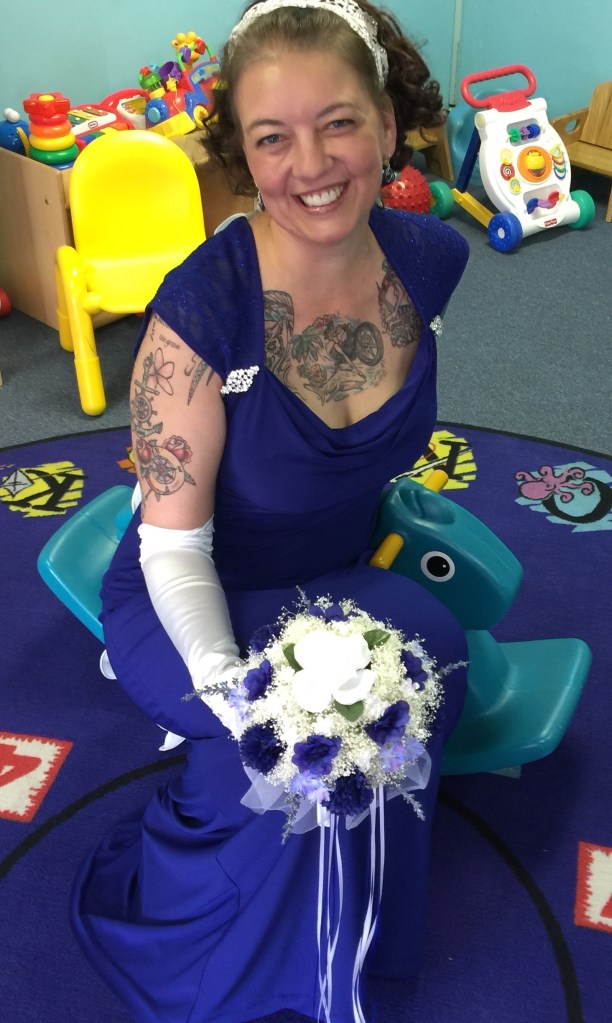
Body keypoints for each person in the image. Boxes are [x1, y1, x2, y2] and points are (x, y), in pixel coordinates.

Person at [71, 2, 470, 1021]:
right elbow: (171, 552)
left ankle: (365, 928)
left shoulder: (429, 261)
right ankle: (230, 953)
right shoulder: (199, 313)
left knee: (429, 663)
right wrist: (232, 687)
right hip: (194, 594)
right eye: (271, 138)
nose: (312, 163)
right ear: (242, 157)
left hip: (334, 569)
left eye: (338, 122)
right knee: (299, 761)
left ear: (386, 124)